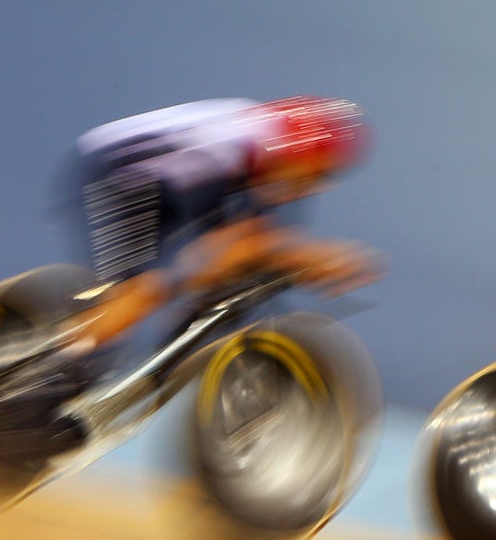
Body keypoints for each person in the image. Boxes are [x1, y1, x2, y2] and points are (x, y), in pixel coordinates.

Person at [62, 95, 378, 359]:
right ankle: (62, 355)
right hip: (119, 173)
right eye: (312, 174)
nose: (313, 187)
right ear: (291, 155)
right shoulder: (224, 147)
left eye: (325, 177)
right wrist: (298, 256)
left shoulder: (278, 155)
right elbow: (219, 250)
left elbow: (269, 239)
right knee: (139, 293)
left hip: (173, 180)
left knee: (227, 271)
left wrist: (301, 261)